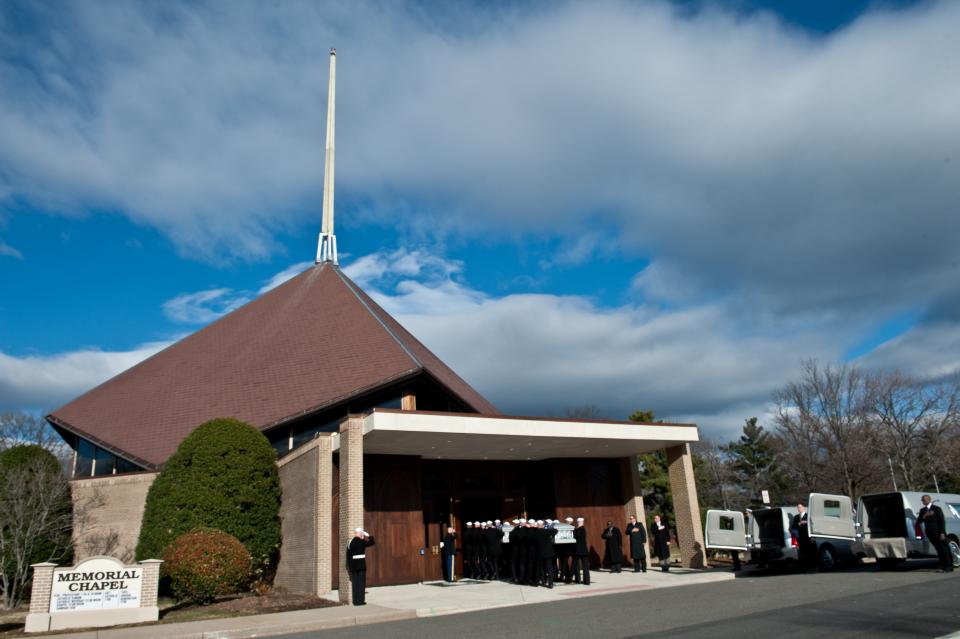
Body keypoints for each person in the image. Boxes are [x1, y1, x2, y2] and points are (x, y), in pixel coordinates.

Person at [919, 494, 954, 573]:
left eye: (923, 500)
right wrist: (924, 515)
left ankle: (949, 566)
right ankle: (942, 566)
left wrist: (942, 533)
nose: (922, 501)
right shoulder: (922, 510)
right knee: (938, 549)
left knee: (944, 549)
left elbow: (941, 521)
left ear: (928, 500)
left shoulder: (936, 508)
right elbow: (919, 521)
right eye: (922, 500)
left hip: (938, 532)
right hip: (930, 533)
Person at [346, 527, 375, 605]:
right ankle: (360, 601)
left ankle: (355, 601)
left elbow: (348, 556)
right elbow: (372, 542)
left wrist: (350, 567)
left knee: (355, 584)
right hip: (361, 565)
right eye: (362, 533)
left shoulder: (350, 542)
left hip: (353, 566)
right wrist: (369, 536)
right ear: (359, 533)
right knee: (361, 584)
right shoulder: (361, 541)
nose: (362, 535)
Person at [791, 503, 816, 573]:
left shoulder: (808, 516)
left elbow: (812, 524)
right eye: (798, 508)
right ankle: (805, 568)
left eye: (800, 507)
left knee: (810, 553)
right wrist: (798, 524)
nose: (799, 509)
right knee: (803, 554)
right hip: (800, 538)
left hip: (808, 538)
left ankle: (812, 568)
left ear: (803, 508)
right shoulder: (796, 517)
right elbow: (794, 526)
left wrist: (805, 522)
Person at [572, 517, 591, 585]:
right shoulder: (582, 529)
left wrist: (574, 530)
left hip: (579, 550)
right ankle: (586, 580)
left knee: (577, 565)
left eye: (578, 522)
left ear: (580, 522)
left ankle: (579, 579)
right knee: (585, 566)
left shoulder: (580, 529)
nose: (577, 523)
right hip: (583, 550)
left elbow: (575, 536)